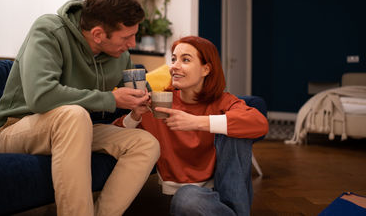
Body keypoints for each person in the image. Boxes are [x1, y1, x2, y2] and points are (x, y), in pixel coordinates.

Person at [0, 0, 160, 216]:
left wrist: (144, 99)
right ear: (98, 34)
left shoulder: (120, 55)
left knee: (146, 144)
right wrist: (110, 99)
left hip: (74, 129)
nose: (132, 43)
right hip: (15, 129)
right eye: (126, 37)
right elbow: (41, 97)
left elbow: (140, 89)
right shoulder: (49, 30)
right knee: (75, 115)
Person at [114, 36, 269, 216]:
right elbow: (116, 133)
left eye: (185, 60)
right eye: (173, 59)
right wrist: (135, 115)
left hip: (224, 187)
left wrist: (196, 122)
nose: (174, 66)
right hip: (189, 196)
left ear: (206, 69)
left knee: (237, 129)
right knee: (186, 198)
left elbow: (259, 124)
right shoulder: (160, 101)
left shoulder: (222, 101)